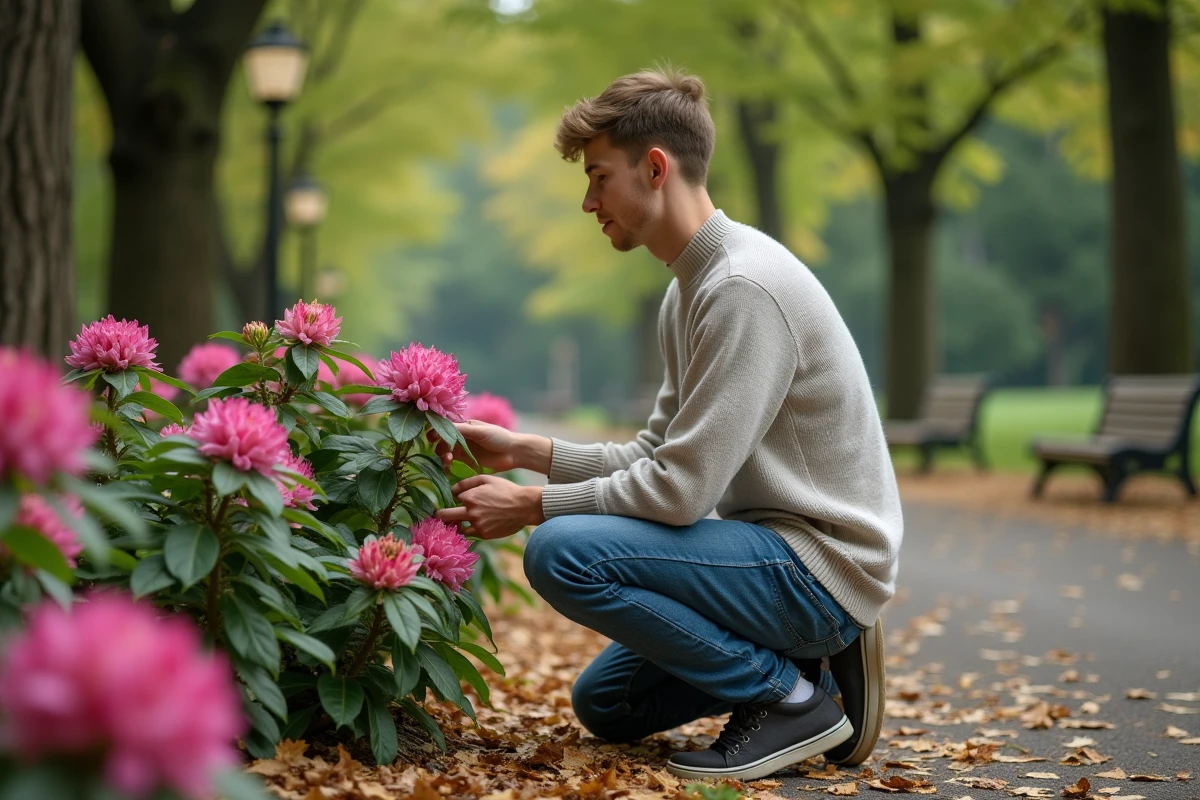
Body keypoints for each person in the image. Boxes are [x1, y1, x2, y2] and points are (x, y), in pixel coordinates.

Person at [434, 68, 903, 781]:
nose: (588, 202)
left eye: (598, 177)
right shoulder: (689, 292)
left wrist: (535, 505)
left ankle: (792, 700)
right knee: (608, 705)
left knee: (560, 550)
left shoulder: (742, 289)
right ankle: (811, 669)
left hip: (818, 564)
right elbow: (658, 452)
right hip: (770, 554)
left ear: (655, 168)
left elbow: (682, 490)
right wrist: (528, 452)